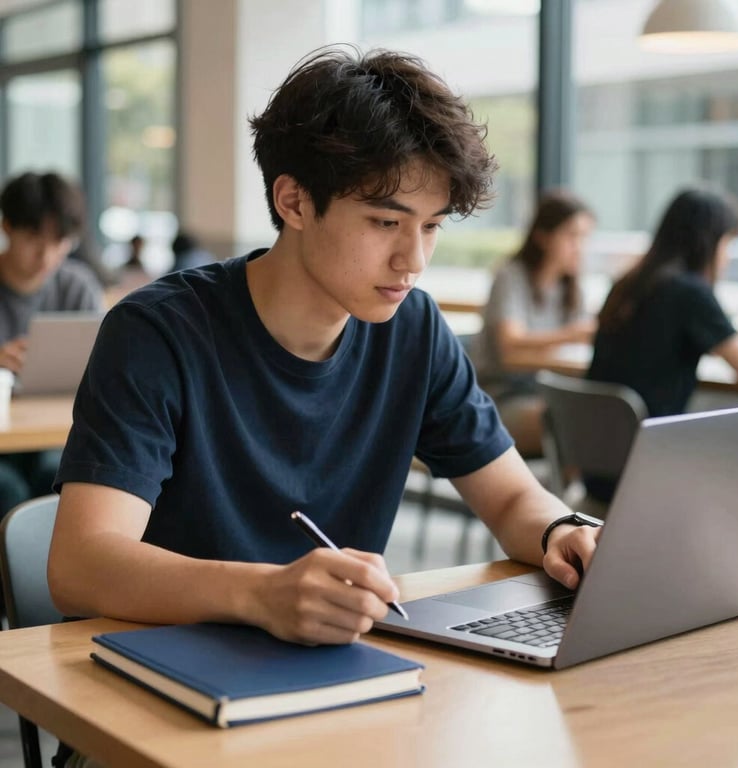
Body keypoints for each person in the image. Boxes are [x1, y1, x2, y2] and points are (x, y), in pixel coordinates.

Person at [47, 49, 601, 764]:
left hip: (336, 694)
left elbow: (511, 501)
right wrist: (263, 594)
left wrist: (563, 530)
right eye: (384, 222)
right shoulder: (159, 333)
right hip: (160, 706)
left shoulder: (414, 330)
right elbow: (81, 564)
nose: (414, 261)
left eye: (431, 227)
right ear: (294, 201)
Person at [586, 184, 738, 501]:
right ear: (709, 243)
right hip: (647, 470)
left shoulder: (627, 283)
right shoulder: (690, 292)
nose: (726, 256)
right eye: (728, 243)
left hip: (597, 468)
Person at [0, 171, 103, 520]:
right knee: (7, 489)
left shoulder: (77, 286)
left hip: (54, 431)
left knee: (57, 476)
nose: (47, 255)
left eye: (60, 241)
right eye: (33, 238)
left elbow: (102, 369)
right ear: (6, 226)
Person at [469, 190, 596, 456]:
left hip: (545, 392)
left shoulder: (572, 289)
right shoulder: (510, 276)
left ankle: (564, 494)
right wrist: (570, 335)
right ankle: (558, 495)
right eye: (572, 236)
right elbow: (510, 347)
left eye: (585, 237)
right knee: (578, 423)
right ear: (543, 237)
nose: (580, 247)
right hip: (497, 398)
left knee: (599, 418)